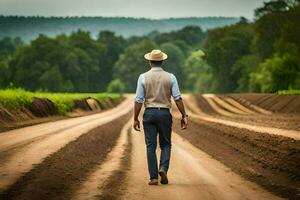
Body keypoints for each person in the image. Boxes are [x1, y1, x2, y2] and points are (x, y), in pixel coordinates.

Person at [133, 49, 188, 185]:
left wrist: (135, 118)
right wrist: (183, 115)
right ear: (162, 61)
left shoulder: (143, 77)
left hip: (149, 113)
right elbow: (178, 98)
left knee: (150, 146)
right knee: (166, 144)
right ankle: (163, 168)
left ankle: (153, 178)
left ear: (150, 62)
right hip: (164, 114)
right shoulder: (171, 77)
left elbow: (138, 100)